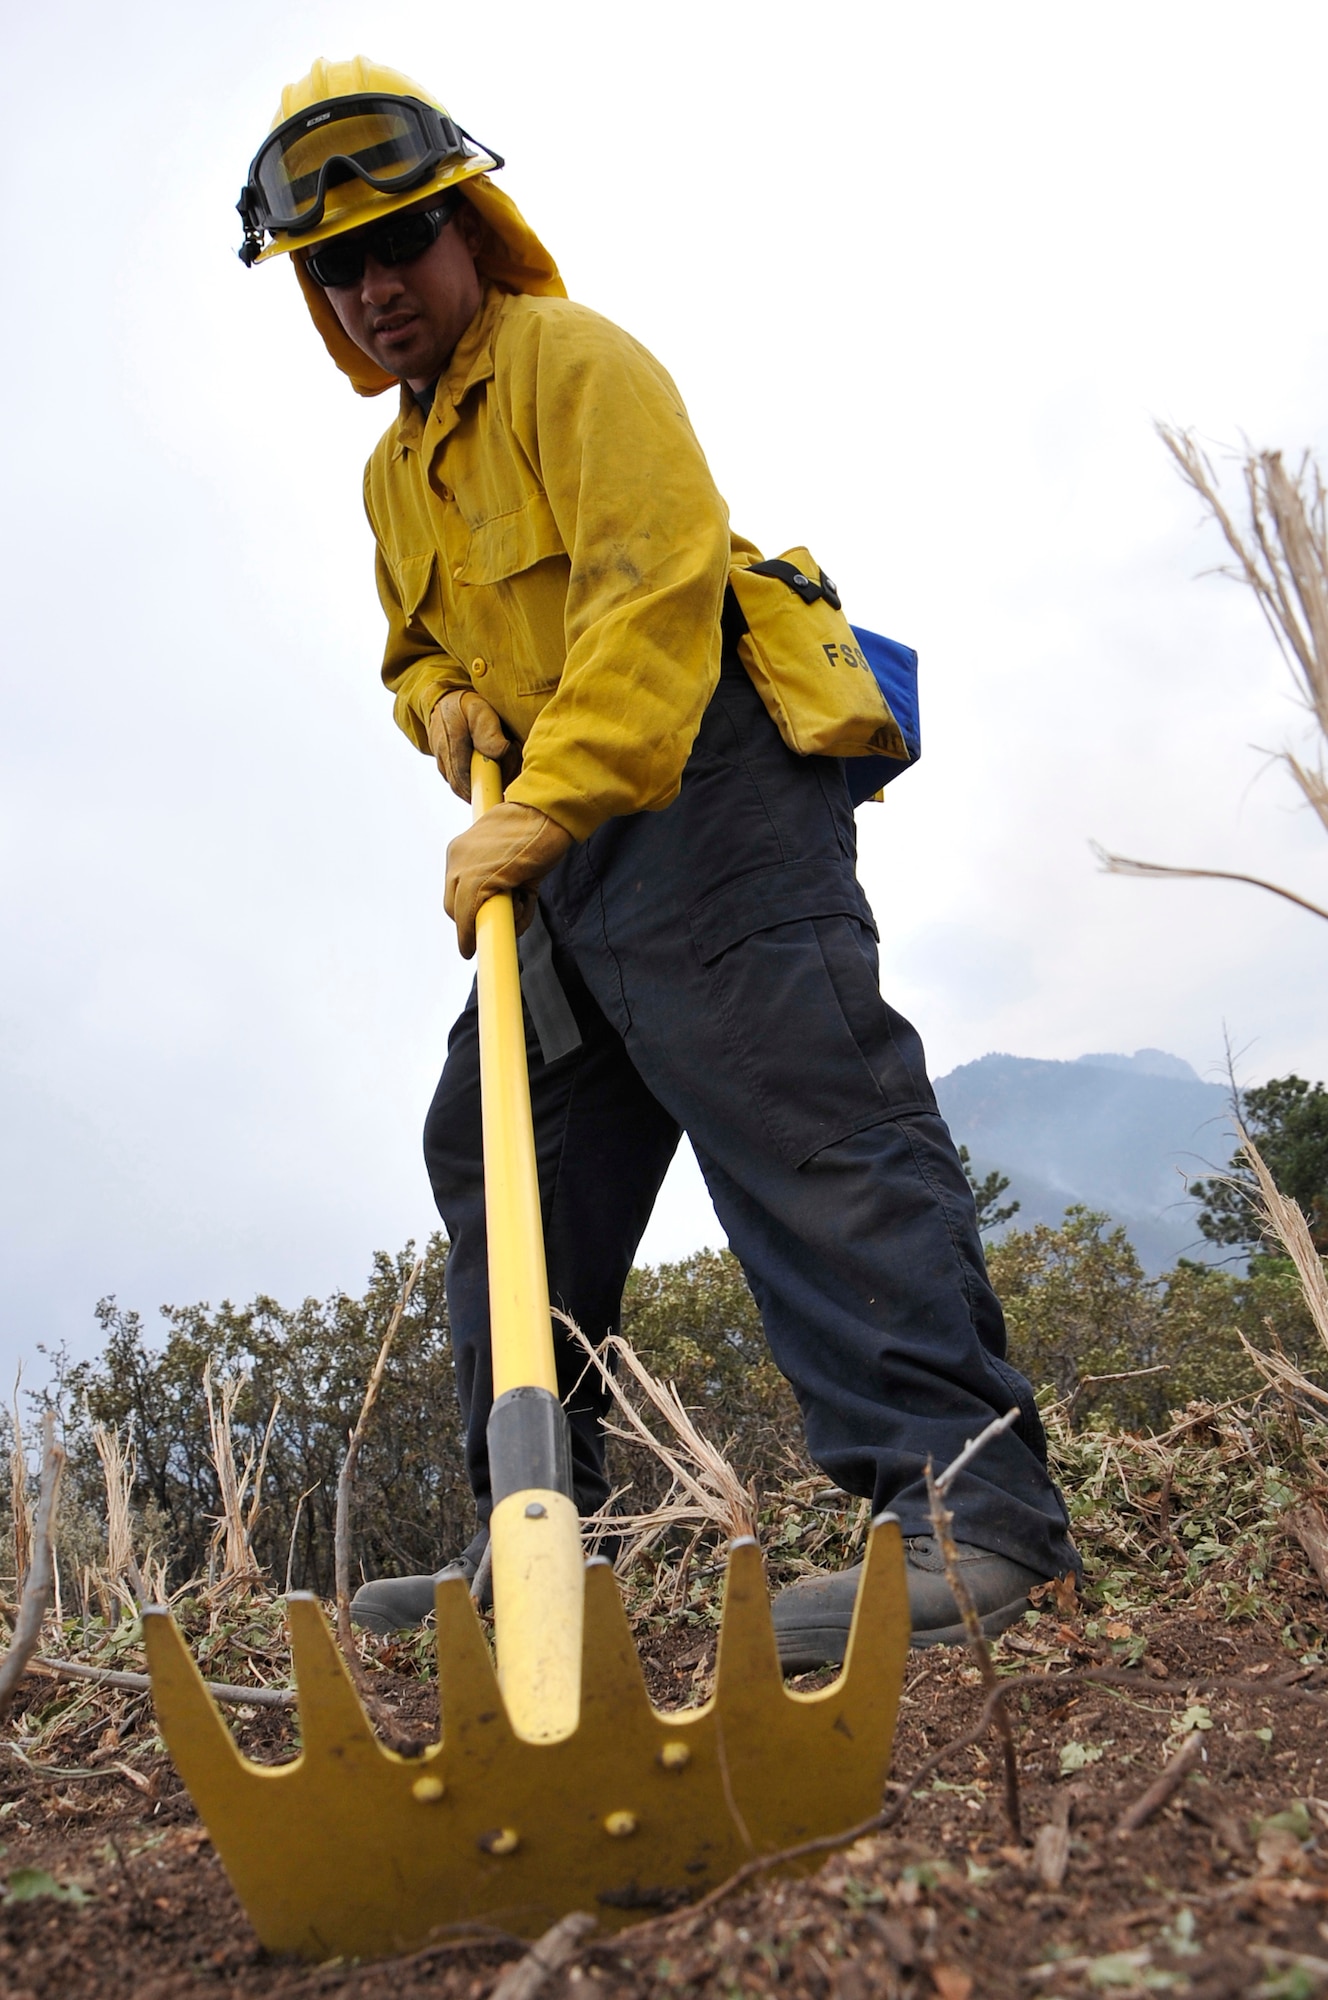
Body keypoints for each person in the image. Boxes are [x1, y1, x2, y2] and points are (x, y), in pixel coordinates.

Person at [237, 58, 1079, 1663]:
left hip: (704, 797)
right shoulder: (393, 471)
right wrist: (441, 701)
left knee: (803, 1121)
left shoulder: (572, 361)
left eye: (396, 243)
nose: (369, 290)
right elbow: (408, 649)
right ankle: (545, 1538)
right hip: (561, 848)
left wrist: (538, 808)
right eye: (332, 271)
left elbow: (656, 595)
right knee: (500, 1160)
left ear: (466, 225)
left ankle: (975, 1521)